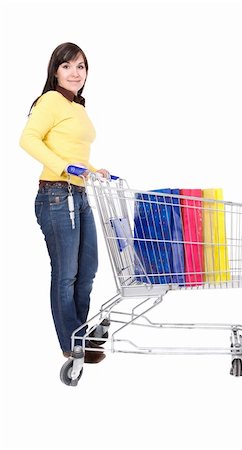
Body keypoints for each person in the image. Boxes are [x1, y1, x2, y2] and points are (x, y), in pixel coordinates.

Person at [20, 42, 109, 363]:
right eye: (67, 66)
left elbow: (72, 152)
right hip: (56, 195)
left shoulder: (77, 106)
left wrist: (91, 169)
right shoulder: (51, 101)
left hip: (80, 193)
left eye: (81, 66)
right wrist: (63, 167)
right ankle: (71, 345)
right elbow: (27, 139)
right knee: (66, 273)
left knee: (87, 270)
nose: (75, 73)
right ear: (55, 70)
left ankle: (80, 335)